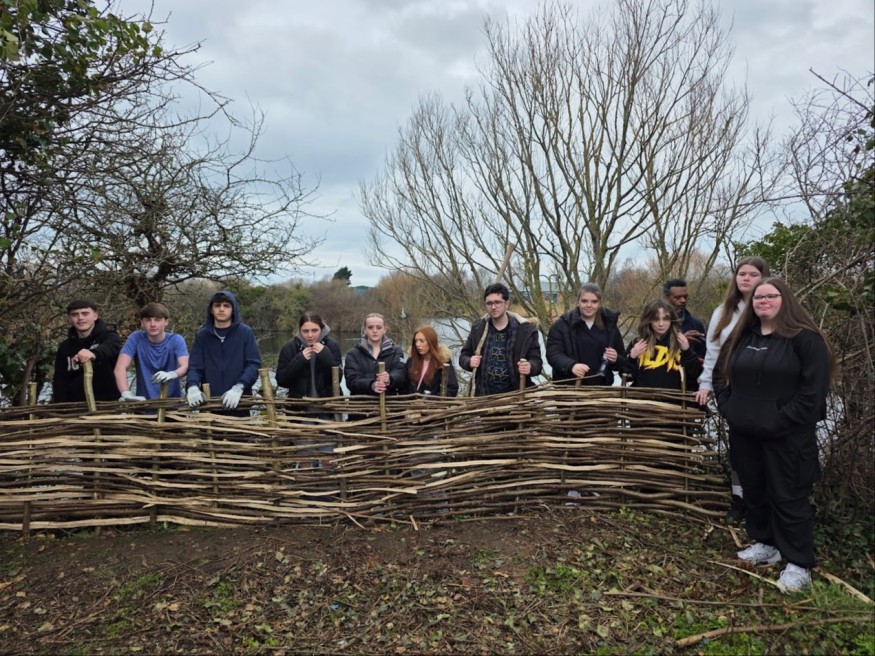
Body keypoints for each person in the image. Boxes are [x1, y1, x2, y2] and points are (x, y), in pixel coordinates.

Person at [713, 278, 833, 593]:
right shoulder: (741, 336)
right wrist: (729, 409)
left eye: (771, 296)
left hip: (788, 437)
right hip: (745, 433)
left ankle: (799, 563)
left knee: (789, 496)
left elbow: (813, 392)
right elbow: (719, 375)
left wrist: (780, 420)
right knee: (754, 490)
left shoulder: (805, 340)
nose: (763, 301)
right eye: (758, 297)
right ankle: (766, 543)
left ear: (785, 299)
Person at [695, 256, 770, 521]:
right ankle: (739, 498)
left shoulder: (770, 308)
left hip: (766, 390)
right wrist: (706, 384)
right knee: (740, 446)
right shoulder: (723, 312)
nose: (746, 279)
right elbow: (712, 351)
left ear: (764, 278)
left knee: (767, 445)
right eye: (742, 274)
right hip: (732, 388)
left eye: (753, 274)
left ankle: (765, 500)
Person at [185, 290, 261, 414]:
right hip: (209, 404)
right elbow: (194, 367)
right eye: (217, 305)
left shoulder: (245, 333)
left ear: (233, 310)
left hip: (239, 402)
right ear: (211, 310)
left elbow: (253, 364)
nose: (221, 309)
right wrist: (192, 386)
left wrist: (239, 387)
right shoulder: (202, 336)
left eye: (226, 306)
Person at [459, 283, 542, 396]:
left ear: (506, 304)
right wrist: (469, 362)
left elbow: (537, 362)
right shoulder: (478, 328)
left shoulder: (524, 331)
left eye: (497, 302)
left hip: (516, 398)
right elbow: (463, 356)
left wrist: (530, 367)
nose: (493, 307)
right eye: (489, 303)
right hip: (483, 398)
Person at [546, 283, 625, 386]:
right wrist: (571, 366)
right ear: (578, 302)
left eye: (594, 302)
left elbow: (623, 360)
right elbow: (553, 354)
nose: (589, 305)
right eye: (584, 301)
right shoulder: (562, 325)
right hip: (568, 389)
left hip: (602, 390)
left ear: (599, 303)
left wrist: (616, 359)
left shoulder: (610, 326)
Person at [621, 299, 703, 392]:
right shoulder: (638, 343)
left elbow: (696, 375)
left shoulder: (681, 342)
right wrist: (632, 358)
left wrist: (687, 351)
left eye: (665, 319)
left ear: (672, 320)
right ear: (648, 320)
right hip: (643, 399)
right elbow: (626, 377)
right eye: (656, 319)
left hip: (674, 399)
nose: (661, 324)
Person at [114, 302, 189, 401]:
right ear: (142, 322)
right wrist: (125, 393)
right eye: (148, 320)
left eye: (157, 320)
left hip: (173, 403)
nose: (152, 324)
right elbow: (120, 368)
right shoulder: (136, 338)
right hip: (144, 402)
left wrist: (172, 374)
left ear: (166, 322)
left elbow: (185, 366)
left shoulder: (176, 340)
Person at [52, 299, 121, 403]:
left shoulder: (109, 337)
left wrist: (93, 353)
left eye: (85, 313)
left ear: (95, 316)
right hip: (75, 406)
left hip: (109, 403)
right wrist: (62, 405)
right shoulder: (65, 347)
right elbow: (59, 380)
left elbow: (110, 348)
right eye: (75, 315)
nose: (80, 318)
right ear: (69, 319)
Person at [275, 311, 343, 401]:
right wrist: (299, 360)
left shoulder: (332, 345)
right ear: (300, 330)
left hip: (328, 404)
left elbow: (338, 379)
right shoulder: (289, 347)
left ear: (321, 329)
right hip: (299, 404)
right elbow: (281, 381)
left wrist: (326, 357)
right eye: (305, 331)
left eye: (314, 330)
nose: (310, 335)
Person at [344, 313, 408, 396]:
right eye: (370, 327)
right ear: (365, 330)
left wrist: (389, 379)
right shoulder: (353, 354)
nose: (374, 331)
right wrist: (371, 385)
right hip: (361, 403)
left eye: (379, 327)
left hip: (389, 402)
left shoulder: (395, 352)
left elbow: (401, 373)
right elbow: (351, 381)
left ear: (384, 329)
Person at [407, 326, 459, 397]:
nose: (417, 344)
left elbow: (452, 389)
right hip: (410, 403)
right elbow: (404, 384)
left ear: (431, 342)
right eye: (416, 341)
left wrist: (431, 399)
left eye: (421, 341)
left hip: (433, 403)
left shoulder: (443, 362)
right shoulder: (411, 361)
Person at [663, 278, 706, 362]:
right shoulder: (656, 324)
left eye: (685, 297)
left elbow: (704, 356)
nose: (683, 300)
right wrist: (680, 343)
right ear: (666, 299)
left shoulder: (696, 324)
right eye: (677, 297)